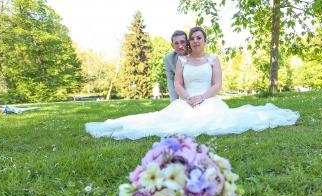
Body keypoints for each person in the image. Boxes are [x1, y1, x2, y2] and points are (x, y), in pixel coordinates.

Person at [85, 26, 299, 140]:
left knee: (220, 119)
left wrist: (202, 97)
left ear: (204, 40)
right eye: (192, 38)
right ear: (189, 42)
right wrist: (187, 98)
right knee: (159, 121)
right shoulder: (182, 60)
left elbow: (217, 85)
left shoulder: (213, 59)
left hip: (209, 99)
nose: (195, 40)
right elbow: (177, 83)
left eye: (199, 37)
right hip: (186, 100)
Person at [164, 30, 188, 102]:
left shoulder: (196, 55)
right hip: (182, 94)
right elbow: (171, 80)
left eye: (182, 42)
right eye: (176, 43)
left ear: (187, 42)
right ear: (172, 46)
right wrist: (174, 102)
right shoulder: (169, 58)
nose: (180, 46)